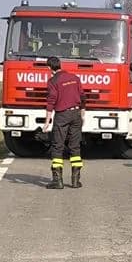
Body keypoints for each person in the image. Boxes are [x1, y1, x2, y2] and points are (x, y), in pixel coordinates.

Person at [42, 56, 85, 189]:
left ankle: (57, 181)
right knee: (75, 146)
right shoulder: (74, 78)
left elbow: (51, 101)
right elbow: (82, 96)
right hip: (76, 114)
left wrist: (47, 121)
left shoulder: (53, 81)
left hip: (62, 115)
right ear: (60, 65)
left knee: (57, 146)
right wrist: (82, 113)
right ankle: (75, 181)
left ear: (49, 68)